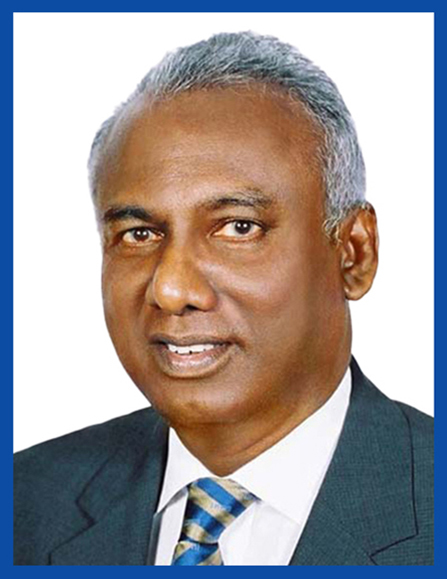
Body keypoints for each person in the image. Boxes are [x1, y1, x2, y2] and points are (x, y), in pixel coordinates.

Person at [14, 31, 433, 566]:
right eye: (139, 234)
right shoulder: (22, 503)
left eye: (238, 227)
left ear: (354, 253)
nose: (172, 289)